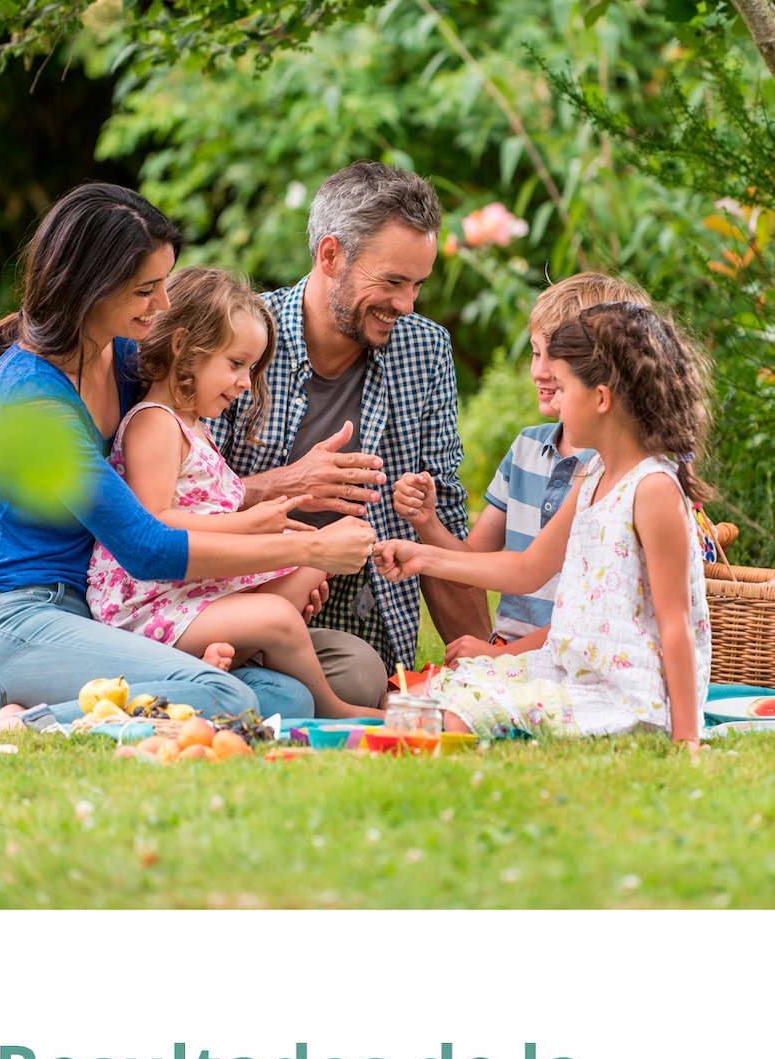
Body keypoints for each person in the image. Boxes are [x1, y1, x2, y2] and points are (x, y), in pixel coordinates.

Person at [0, 184, 375, 721]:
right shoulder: (31, 395)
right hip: (16, 620)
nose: (164, 305)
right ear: (90, 288)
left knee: (290, 699)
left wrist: (272, 552)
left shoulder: (124, 363)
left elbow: (190, 495)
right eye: (146, 289)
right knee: (227, 698)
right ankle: (14, 722)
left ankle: (117, 692)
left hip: (100, 617)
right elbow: (146, 546)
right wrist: (304, 552)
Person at [375, 304, 710, 745]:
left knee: (450, 719)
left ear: (602, 398)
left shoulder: (652, 489)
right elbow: (527, 568)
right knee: (431, 692)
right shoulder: (594, 476)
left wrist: (686, 739)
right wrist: (422, 556)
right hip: (573, 670)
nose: (555, 398)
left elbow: (675, 625)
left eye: (565, 387)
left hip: (626, 698)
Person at [209, 162, 472, 709]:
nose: (407, 305)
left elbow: (443, 522)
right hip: (228, 598)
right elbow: (176, 498)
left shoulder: (424, 351)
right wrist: (288, 484)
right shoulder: (241, 336)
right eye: (393, 282)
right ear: (330, 256)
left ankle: (250, 692)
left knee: (359, 677)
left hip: (356, 622)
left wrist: (479, 659)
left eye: (418, 284)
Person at [86, 267, 371, 718]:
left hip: (190, 588)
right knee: (277, 616)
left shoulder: (196, 427)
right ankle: (333, 707)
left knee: (310, 571)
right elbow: (153, 523)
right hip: (149, 601)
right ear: (183, 347)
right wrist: (248, 524)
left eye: (252, 368)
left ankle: (223, 659)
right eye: (235, 364)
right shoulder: (154, 424)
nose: (244, 381)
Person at [393, 272, 652, 648]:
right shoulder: (527, 449)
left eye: (557, 359)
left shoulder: (614, 474)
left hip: (568, 655)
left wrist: (501, 657)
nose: (540, 371)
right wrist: (426, 522)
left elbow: (591, 617)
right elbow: (473, 568)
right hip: (509, 649)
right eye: (535, 351)